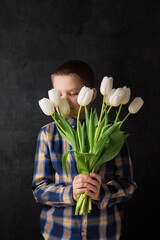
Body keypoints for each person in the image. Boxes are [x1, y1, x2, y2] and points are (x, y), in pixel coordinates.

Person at [32, 60, 137, 240]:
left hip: (104, 232)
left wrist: (102, 193)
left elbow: (128, 185)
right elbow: (39, 189)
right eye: (58, 94)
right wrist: (70, 192)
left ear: (93, 94)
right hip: (59, 232)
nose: (64, 100)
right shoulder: (48, 134)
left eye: (73, 93)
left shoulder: (112, 133)